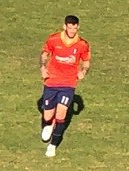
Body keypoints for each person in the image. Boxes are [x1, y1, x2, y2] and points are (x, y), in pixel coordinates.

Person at [39, 15, 91, 157]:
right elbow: (44, 54)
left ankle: (53, 145)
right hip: (51, 81)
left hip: (68, 84)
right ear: (65, 26)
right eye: (70, 27)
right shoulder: (54, 39)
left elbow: (86, 61)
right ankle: (49, 124)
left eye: (75, 27)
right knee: (48, 115)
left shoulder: (82, 44)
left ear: (78, 27)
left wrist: (83, 71)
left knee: (61, 113)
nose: (72, 30)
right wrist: (43, 67)